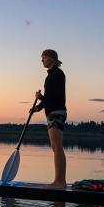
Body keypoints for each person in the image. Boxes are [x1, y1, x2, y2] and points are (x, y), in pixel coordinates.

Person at [31, 49, 67, 188]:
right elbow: (49, 98)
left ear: (51, 58)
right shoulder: (51, 75)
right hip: (53, 112)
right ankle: (60, 181)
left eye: (44, 58)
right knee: (55, 147)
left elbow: (55, 97)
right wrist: (37, 108)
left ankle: (59, 182)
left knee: (57, 146)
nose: (42, 60)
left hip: (56, 112)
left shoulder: (57, 74)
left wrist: (41, 98)